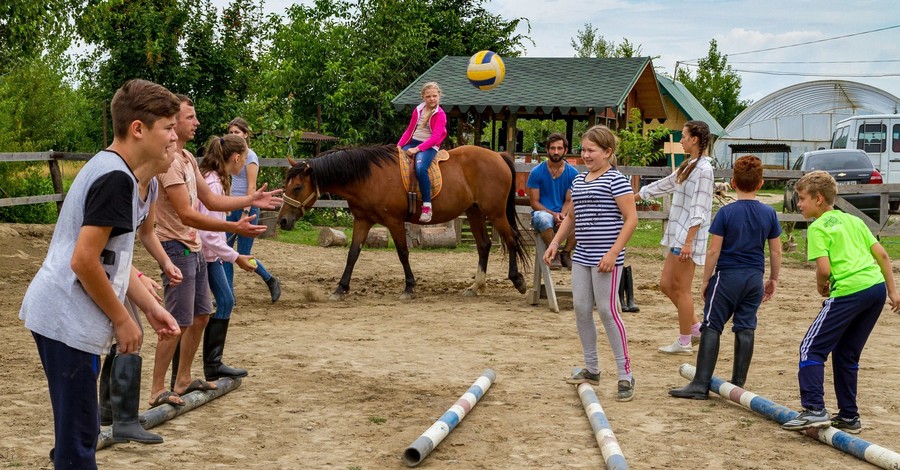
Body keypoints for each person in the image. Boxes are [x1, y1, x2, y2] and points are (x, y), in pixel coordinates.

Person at [20, 79, 182, 469]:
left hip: (69, 318)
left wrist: (149, 308)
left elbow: (113, 261)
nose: (175, 138)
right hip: (66, 318)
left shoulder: (123, 176)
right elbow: (84, 261)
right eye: (168, 128)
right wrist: (124, 320)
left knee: (82, 431)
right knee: (79, 442)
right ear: (138, 129)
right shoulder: (116, 179)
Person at [150, 95, 282, 408]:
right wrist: (234, 229)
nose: (196, 123)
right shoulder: (169, 162)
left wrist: (248, 202)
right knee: (177, 322)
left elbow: (210, 200)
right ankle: (157, 389)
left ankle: (182, 379)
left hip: (193, 245)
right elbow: (186, 214)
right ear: (174, 121)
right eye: (190, 118)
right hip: (176, 244)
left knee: (202, 314)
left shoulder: (188, 159)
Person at [781, 171, 900, 433]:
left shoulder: (818, 228)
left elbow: (823, 269)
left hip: (849, 291)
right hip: (875, 290)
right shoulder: (853, 221)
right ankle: (849, 416)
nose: (799, 204)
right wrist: (893, 292)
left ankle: (813, 409)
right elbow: (881, 254)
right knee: (846, 354)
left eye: (802, 199)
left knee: (810, 349)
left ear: (819, 199)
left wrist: (820, 286)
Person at [669, 155, 782, 399]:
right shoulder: (769, 213)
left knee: (712, 327)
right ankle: (738, 382)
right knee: (746, 326)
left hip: (727, 277)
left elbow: (713, 250)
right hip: (754, 278)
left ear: (732, 182)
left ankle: (700, 383)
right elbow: (775, 249)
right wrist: (773, 278)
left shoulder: (726, 213)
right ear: (761, 183)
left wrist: (706, 279)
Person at [543, 125, 638, 402]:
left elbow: (631, 219)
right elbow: (571, 217)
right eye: (583, 150)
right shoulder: (579, 181)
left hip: (606, 258)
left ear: (608, 152)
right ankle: (592, 368)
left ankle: (625, 374)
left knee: (608, 312)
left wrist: (612, 253)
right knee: (582, 309)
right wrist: (555, 243)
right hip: (582, 256)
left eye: (591, 150)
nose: (585, 154)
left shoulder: (616, 180)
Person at [636, 120, 714, 355]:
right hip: (679, 235)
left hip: (688, 238)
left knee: (682, 289)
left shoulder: (703, 170)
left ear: (695, 140)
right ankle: (696, 329)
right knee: (666, 285)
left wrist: (689, 242)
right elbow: (666, 184)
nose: (680, 140)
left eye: (683, 136)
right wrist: (635, 197)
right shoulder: (688, 166)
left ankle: (684, 341)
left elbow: (700, 209)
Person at [198, 134, 258, 381]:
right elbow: (208, 234)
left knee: (224, 300)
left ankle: (213, 363)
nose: (244, 164)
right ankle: (211, 364)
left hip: (211, 254)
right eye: (243, 159)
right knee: (221, 302)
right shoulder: (213, 183)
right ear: (235, 158)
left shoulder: (216, 180)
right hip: (206, 255)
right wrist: (236, 257)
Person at [225, 117, 281, 303]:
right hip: (231, 207)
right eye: (231, 133)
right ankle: (228, 294)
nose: (233, 135)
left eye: (237, 132)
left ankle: (271, 279)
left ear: (246, 134)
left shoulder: (251, 157)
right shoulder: (232, 156)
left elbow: (251, 188)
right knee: (225, 252)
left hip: (246, 209)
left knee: (244, 255)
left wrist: (246, 212)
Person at [527, 132, 579, 269]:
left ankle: (566, 253)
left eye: (559, 148)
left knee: (580, 219)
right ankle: (553, 254)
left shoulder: (573, 173)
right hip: (542, 213)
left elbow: (569, 201)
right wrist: (553, 214)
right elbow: (534, 203)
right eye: (553, 148)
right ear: (547, 150)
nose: (556, 152)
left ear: (565, 150)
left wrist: (562, 215)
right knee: (544, 219)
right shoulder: (536, 172)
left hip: (562, 212)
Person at [397, 81, 447, 223]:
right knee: (395, 161)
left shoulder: (440, 114)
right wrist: (399, 146)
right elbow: (409, 130)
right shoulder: (418, 110)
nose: (432, 99)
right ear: (423, 97)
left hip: (430, 146)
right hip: (413, 142)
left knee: (420, 168)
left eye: (434, 96)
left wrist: (417, 149)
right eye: (428, 96)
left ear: (439, 96)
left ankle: (427, 206)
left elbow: (436, 137)